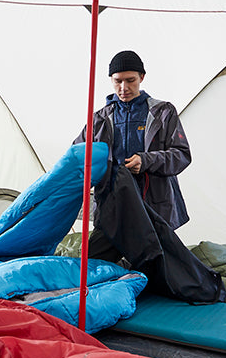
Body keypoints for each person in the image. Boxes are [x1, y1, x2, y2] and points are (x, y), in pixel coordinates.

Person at [76, 50, 191, 229]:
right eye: (118, 81)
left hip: (155, 210)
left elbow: (181, 155)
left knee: (154, 247)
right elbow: (77, 156)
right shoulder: (98, 120)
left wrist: (146, 161)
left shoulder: (163, 112)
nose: (124, 87)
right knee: (101, 248)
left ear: (141, 77)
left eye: (130, 80)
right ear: (111, 79)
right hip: (112, 209)